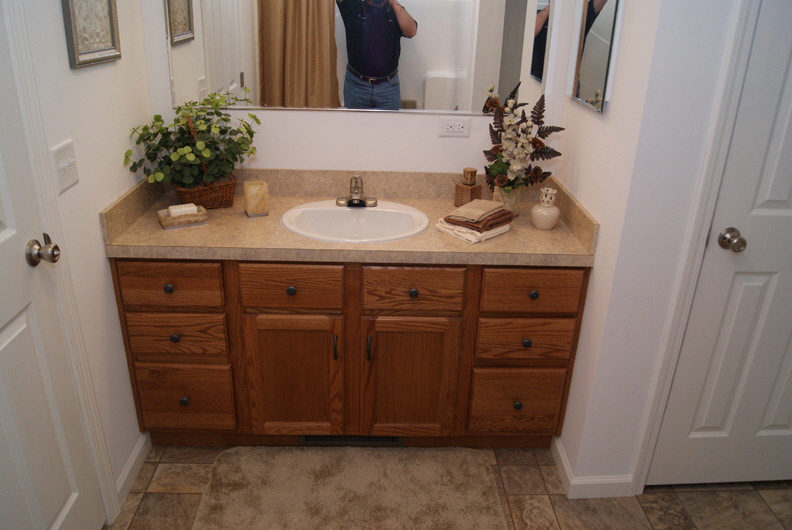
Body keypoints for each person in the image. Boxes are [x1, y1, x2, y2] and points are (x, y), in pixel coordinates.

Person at [336, 0, 417, 110]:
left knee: (390, 121)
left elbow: (411, 31)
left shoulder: (395, 11)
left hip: (388, 86)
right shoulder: (353, 7)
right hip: (357, 85)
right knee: (355, 121)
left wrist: (394, 3)